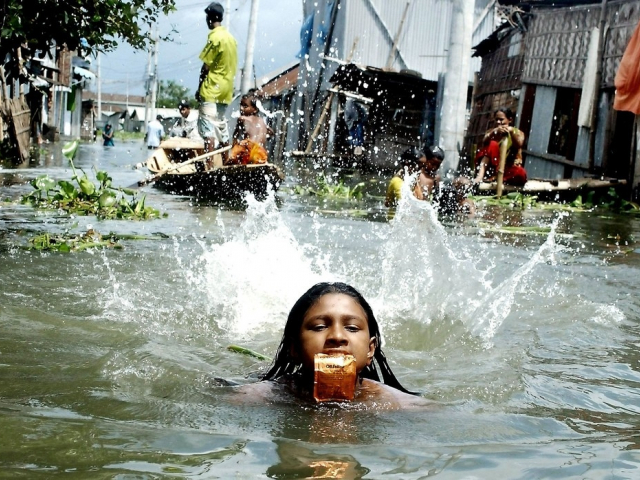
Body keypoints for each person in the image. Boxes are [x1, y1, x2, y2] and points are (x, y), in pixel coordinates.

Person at [236, 282, 430, 410]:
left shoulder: (397, 405)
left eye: (352, 328)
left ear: (370, 349)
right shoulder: (261, 397)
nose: (337, 336)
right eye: (320, 327)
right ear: (293, 348)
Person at [196, 2, 238, 160]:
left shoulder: (214, 37)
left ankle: (209, 166)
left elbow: (206, 67)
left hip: (211, 88)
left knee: (208, 129)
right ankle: (226, 164)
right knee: (221, 126)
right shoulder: (231, 39)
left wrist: (199, 88)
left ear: (210, 18)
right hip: (226, 90)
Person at [473, 108, 527, 186]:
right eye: (496, 119)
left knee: (521, 173)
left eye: (501, 119)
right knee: (493, 144)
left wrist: (511, 131)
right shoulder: (492, 132)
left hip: (505, 170)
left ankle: (501, 179)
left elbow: (520, 143)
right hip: (491, 169)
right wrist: (494, 132)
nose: (498, 122)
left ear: (510, 120)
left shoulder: (516, 132)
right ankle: (481, 176)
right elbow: (484, 141)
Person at [227, 93, 272, 165]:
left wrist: (233, 153)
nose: (241, 108)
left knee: (230, 161)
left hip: (248, 151)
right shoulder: (262, 121)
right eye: (241, 105)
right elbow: (271, 132)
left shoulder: (242, 118)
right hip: (260, 153)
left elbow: (235, 136)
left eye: (245, 106)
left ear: (255, 109)